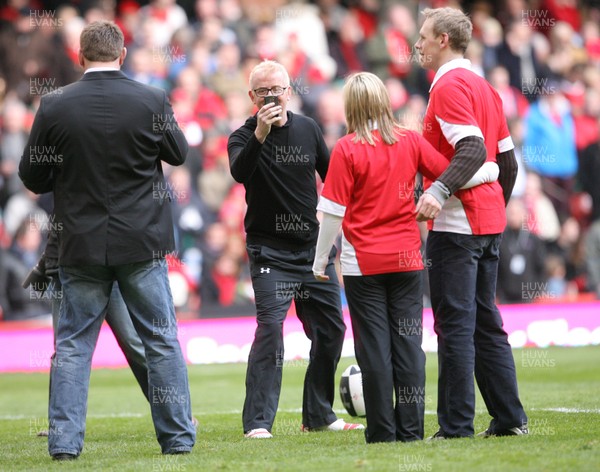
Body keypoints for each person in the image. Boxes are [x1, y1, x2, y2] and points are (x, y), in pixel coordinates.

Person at [18, 21, 195, 460]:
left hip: (79, 244)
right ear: (122, 54)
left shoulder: (55, 105)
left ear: (80, 56)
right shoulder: (150, 98)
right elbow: (178, 153)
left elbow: (31, 176)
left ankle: (64, 445)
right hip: (141, 243)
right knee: (160, 339)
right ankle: (177, 439)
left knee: (74, 347)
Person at [311, 72, 500, 444]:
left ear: (351, 107)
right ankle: (411, 430)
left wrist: (320, 262)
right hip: (407, 261)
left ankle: (382, 432)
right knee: (409, 346)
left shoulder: (347, 148)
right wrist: (491, 170)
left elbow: (332, 211)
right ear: (384, 101)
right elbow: (451, 174)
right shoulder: (410, 140)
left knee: (374, 351)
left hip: (363, 265)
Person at [227, 60, 363, 439]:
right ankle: (257, 423)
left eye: (279, 89)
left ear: (290, 91)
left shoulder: (307, 128)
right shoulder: (241, 136)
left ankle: (318, 415)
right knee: (270, 331)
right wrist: (261, 133)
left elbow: (332, 174)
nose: (273, 96)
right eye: (264, 92)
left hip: (313, 252)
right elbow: (240, 173)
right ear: (252, 97)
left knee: (332, 331)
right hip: (269, 253)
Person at [414, 7, 528, 439]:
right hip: (489, 222)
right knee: (486, 320)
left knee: (455, 325)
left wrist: (438, 191)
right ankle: (509, 418)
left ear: (444, 39)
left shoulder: (446, 86)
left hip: (457, 228)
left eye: (424, 36)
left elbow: (473, 149)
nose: (418, 44)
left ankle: (456, 426)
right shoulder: (484, 86)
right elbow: (508, 163)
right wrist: (496, 203)